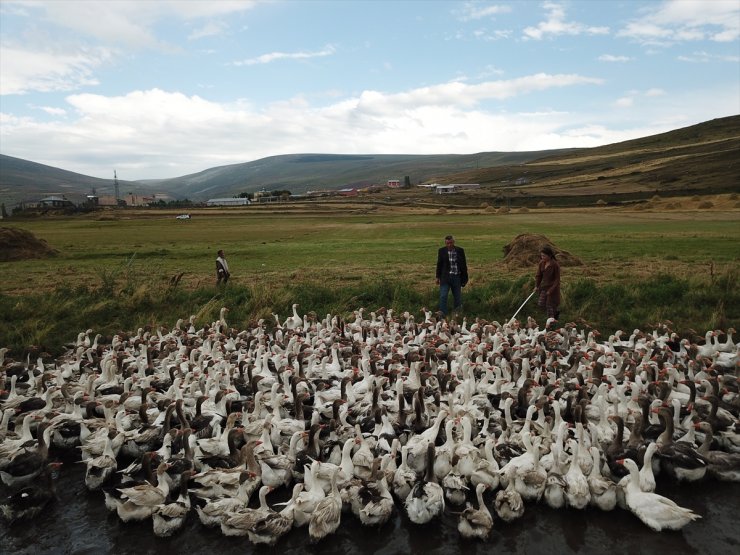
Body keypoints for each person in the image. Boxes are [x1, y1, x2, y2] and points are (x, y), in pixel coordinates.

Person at [436, 235, 468, 316]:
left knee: (457, 297)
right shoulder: (441, 251)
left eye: (450, 243)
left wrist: (465, 278)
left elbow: (464, 265)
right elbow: (439, 264)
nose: (449, 245)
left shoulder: (460, 251)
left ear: (454, 242)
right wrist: (437, 277)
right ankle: (442, 315)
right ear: (445, 243)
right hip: (445, 278)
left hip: (457, 277)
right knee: (443, 296)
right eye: (447, 243)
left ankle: (457, 315)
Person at [535, 245, 560, 320]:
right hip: (544, 287)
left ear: (549, 255)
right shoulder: (541, 263)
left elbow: (557, 280)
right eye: (541, 256)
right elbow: (539, 275)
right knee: (541, 303)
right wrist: (536, 286)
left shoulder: (555, 265)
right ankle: (555, 313)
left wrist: (551, 290)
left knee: (549, 304)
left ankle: (551, 322)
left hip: (553, 288)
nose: (542, 257)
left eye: (544, 256)